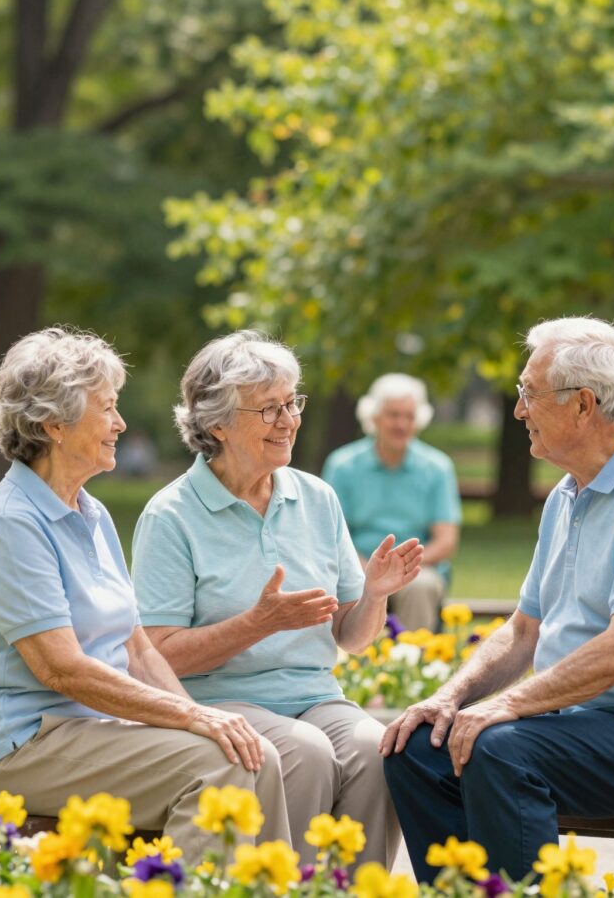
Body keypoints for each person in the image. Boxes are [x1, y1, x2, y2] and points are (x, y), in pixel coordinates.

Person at [380, 317, 614, 882]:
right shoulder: (566, 495)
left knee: (500, 749)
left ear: (583, 405)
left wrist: (506, 706)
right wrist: (449, 698)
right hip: (579, 725)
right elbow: (524, 631)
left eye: (529, 393)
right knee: (414, 750)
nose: (519, 409)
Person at [0, 328, 290, 857]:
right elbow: (61, 669)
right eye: (107, 408)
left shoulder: (91, 512)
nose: (121, 423)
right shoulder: (8, 523)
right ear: (54, 425)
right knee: (221, 765)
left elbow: (137, 649)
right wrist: (193, 718)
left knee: (251, 753)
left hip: (94, 733)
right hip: (23, 746)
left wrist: (203, 722)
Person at [132, 331, 424, 867]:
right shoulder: (170, 515)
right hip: (218, 701)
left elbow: (351, 638)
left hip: (315, 695)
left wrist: (376, 594)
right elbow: (158, 654)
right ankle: (281, 883)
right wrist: (258, 624)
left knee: (377, 749)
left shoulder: (315, 497)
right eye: (269, 409)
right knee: (306, 753)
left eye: (292, 403)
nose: (289, 420)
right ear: (216, 423)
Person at [322, 374, 462, 632]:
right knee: (353, 584)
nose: (401, 424)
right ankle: (356, 667)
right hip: (358, 566)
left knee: (420, 587)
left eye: (409, 416)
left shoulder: (437, 468)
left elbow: (446, 542)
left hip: (417, 571)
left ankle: (415, 665)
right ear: (373, 418)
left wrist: (401, 569)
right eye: (393, 415)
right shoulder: (342, 466)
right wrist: (367, 570)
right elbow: (331, 535)